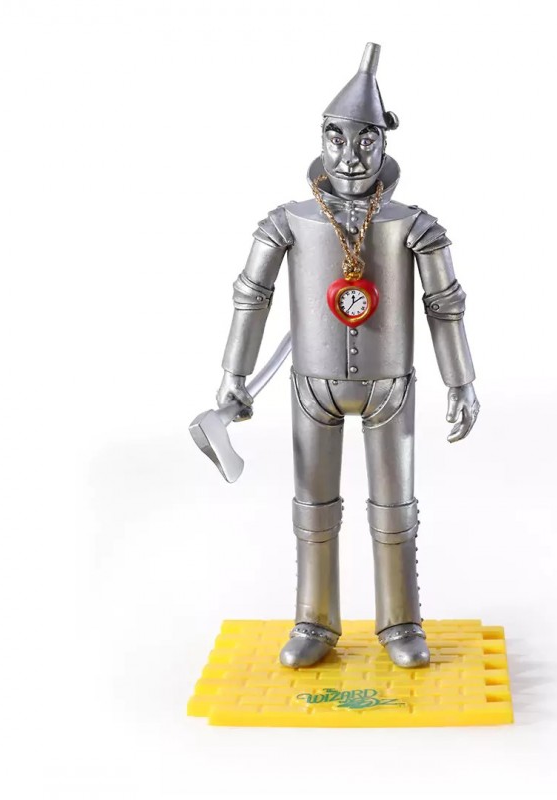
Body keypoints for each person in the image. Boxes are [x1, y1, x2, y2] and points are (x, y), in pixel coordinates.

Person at [216, 43, 479, 668]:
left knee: (396, 509)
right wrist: (233, 373)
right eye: (336, 139)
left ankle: (401, 622)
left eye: (365, 141)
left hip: (392, 386)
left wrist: (461, 381)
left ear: (384, 143)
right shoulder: (287, 221)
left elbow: (445, 305)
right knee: (312, 507)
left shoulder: (415, 225)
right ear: (321, 139)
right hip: (311, 384)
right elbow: (251, 295)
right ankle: (314, 620)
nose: (350, 156)